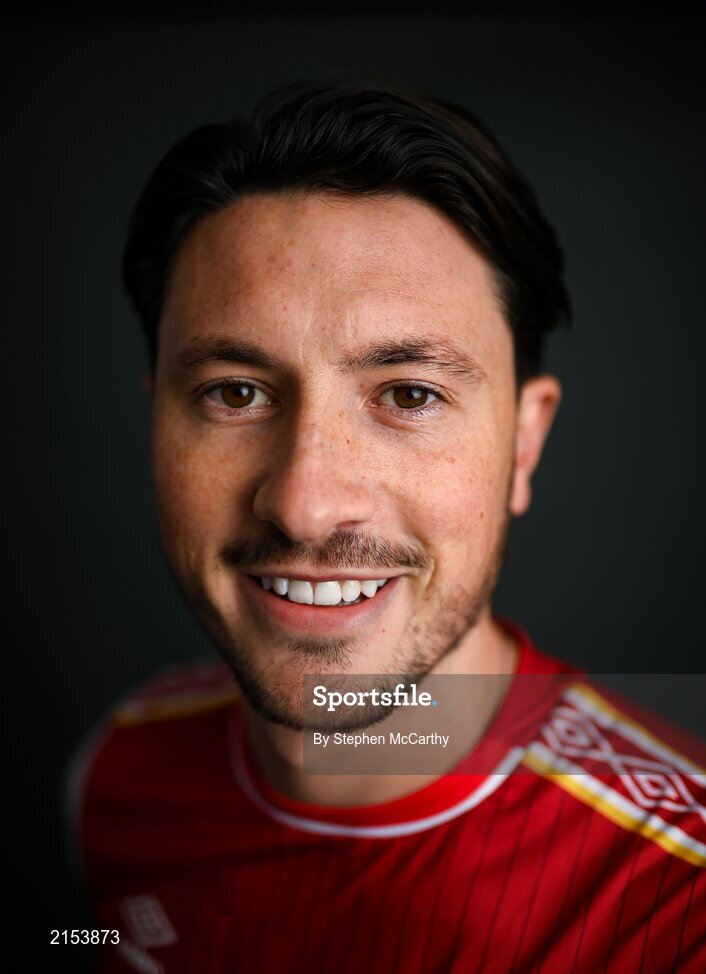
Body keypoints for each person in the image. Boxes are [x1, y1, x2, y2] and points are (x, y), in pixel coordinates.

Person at [69, 81, 705, 973]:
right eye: (234, 393)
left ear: (523, 445)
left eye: (409, 395)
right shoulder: (119, 773)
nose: (305, 502)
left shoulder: (680, 900)